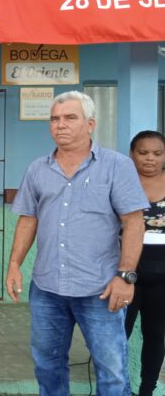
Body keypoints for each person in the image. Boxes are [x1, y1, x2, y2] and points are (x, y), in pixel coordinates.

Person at [6, 91, 148, 395]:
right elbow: (28, 220)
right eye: (55, 119)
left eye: (70, 118)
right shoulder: (37, 169)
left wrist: (126, 276)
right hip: (47, 289)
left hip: (100, 289)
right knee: (47, 365)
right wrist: (14, 264)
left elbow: (134, 222)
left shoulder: (116, 167)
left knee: (111, 371)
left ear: (91, 123)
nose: (61, 125)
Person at [125, 130, 165, 396]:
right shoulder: (121, 183)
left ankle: (147, 391)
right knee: (116, 336)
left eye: (157, 153)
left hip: (162, 275)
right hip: (126, 272)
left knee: (155, 335)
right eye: (143, 152)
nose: (150, 158)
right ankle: (116, 388)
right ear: (132, 155)